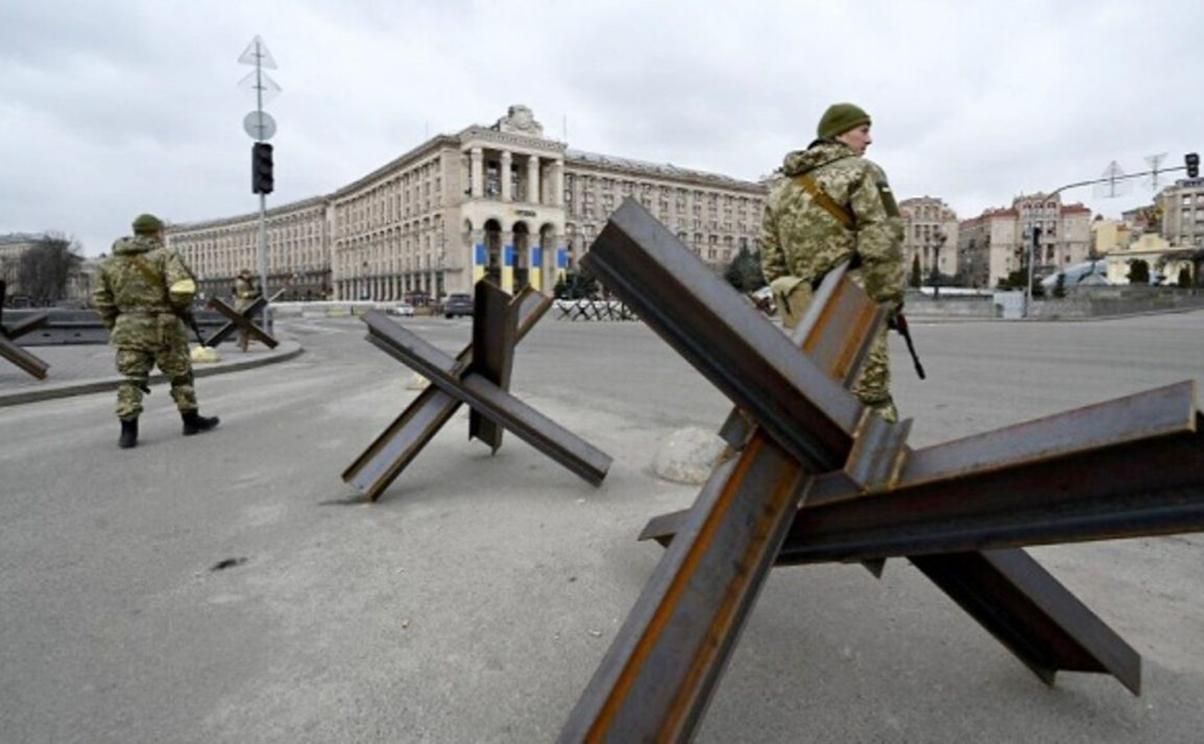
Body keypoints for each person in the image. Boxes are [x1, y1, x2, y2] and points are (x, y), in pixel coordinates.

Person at [760, 103, 906, 422]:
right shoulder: (862, 172)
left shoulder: (781, 189)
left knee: (817, 393)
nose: (869, 140)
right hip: (855, 299)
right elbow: (882, 241)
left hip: (806, 309)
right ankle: (872, 467)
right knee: (870, 398)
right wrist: (888, 302)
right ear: (840, 133)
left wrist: (796, 300)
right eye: (863, 131)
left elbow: (771, 261)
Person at [93, 213, 220, 448]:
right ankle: (190, 420)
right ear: (157, 232)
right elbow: (182, 289)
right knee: (180, 374)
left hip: (128, 327)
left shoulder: (108, 263)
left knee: (131, 378)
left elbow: (101, 301)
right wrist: (179, 310)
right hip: (165, 327)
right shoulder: (165, 255)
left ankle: (128, 432)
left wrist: (117, 324)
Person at [233, 268, 261, 352]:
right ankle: (243, 343)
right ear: (244, 274)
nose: (250, 275)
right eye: (248, 274)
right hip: (243, 306)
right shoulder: (241, 283)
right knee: (244, 325)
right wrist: (253, 293)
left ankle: (244, 343)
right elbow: (242, 294)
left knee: (245, 325)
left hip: (246, 305)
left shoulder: (246, 281)